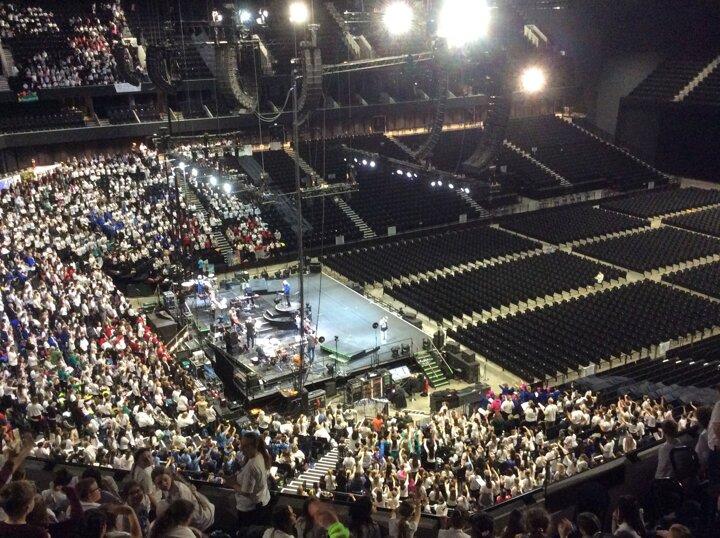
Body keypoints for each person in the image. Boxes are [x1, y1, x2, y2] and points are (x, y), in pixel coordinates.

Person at [233, 431, 272, 526]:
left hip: (250, 509)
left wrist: (232, 484)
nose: (241, 448)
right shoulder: (260, 455)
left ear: (254, 446)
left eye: (245, 446)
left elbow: (246, 492)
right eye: (241, 445)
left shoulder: (251, 466)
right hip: (263, 501)